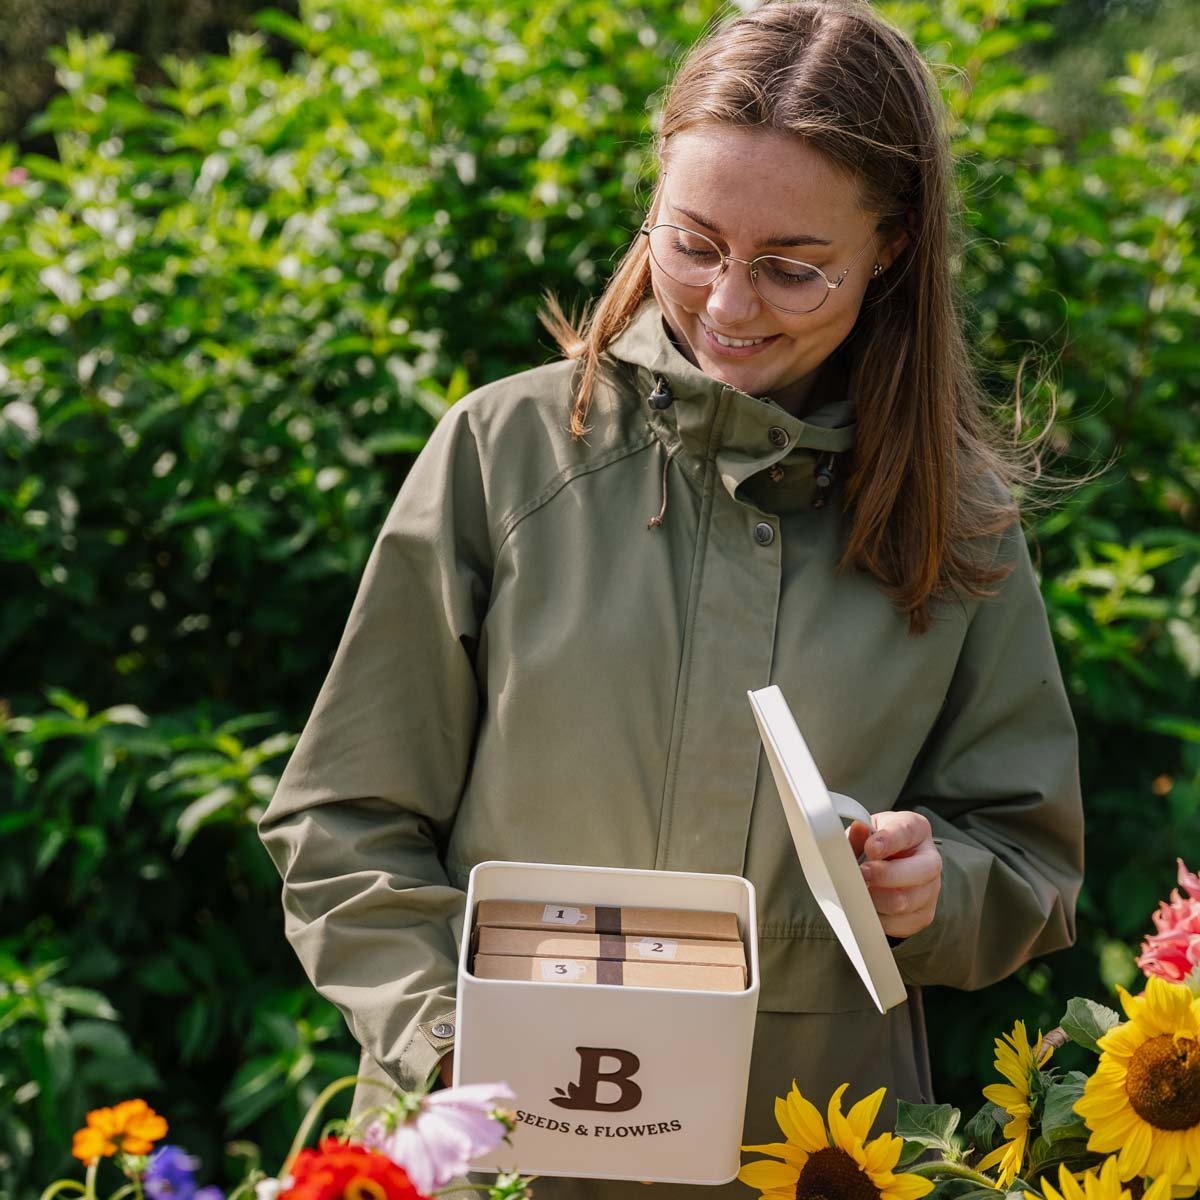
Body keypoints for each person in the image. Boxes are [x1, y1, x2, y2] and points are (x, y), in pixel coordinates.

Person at [258, 1, 1084, 1196]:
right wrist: (454, 1052)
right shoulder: (508, 454)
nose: (729, 307)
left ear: (893, 247)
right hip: (499, 1160)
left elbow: (1029, 853)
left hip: (817, 1162)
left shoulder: (958, 524)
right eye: (691, 243)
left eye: (794, 268)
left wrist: (937, 885)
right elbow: (342, 829)